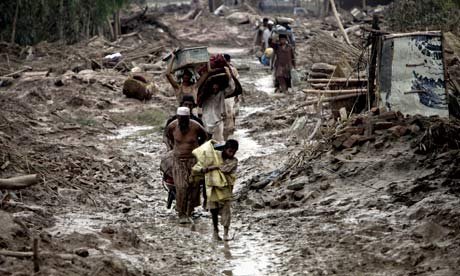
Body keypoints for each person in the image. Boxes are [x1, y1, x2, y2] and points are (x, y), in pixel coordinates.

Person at [166, 107, 208, 224]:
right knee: (181, 186)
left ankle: (190, 210)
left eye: (185, 119)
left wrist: (198, 148)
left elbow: (205, 137)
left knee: (194, 186)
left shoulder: (196, 126)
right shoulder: (173, 126)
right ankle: (181, 212)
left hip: (193, 160)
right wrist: (172, 148)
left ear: (188, 117)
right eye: (181, 119)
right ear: (178, 118)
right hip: (178, 161)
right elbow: (168, 136)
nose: (183, 121)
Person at [202, 139, 239, 241]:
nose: (232, 154)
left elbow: (224, 169)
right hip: (213, 187)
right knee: (213, 210)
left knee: (226, 211)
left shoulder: (234, 161)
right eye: (230, 151)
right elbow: (204, 164)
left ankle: (226, 233)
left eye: (234, 152)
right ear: (225, 149)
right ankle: (215, 231)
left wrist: (213, 167)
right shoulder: (215, 155)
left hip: (226, 190)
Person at [201, 67, 235, 143]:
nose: (215, 87)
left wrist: (229, 75)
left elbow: (231, 88)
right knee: (205, 141)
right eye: (213, 85)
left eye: (216, 85)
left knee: (219, 141)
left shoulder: (222, 93)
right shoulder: (204, 95)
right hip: (206, 120)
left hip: (218, 120)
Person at [223, 54, 239, 140]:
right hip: (225, 94)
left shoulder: (232, 70)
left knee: (230, 112)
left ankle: (231, 129)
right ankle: (228, 130)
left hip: (231, 94)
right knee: (228, 112)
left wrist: (237, 95)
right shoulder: (221, 69)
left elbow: (236, 82)